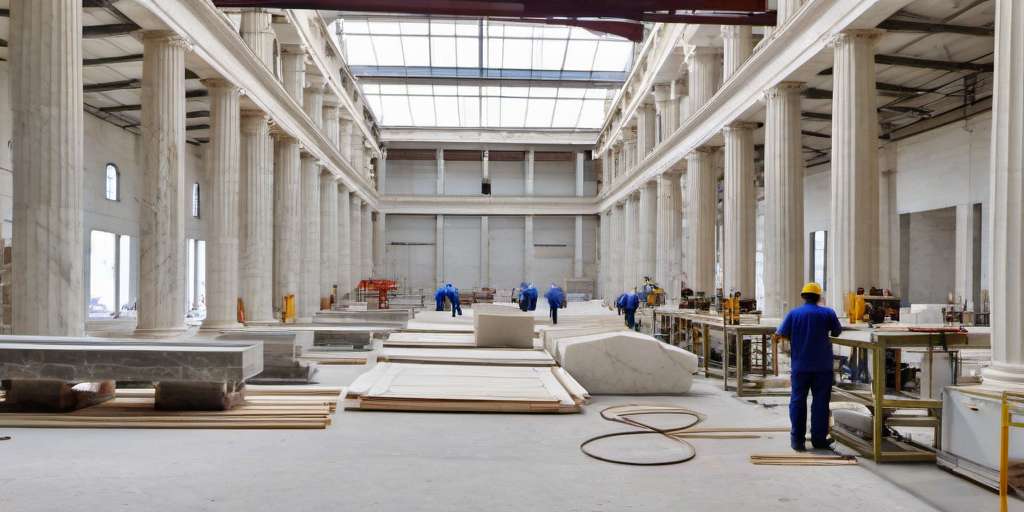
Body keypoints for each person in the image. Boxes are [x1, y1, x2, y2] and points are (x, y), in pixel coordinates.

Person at [774, 282, 843, 452]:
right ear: (819, 296)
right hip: (823, 367)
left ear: (803, 296)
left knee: (797, 401)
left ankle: (797, 441)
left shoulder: (794, 313)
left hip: (800, 366)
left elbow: (781, 333)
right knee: (820, 403)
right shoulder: (828, 313)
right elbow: (837, 331)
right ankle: (818, 440)